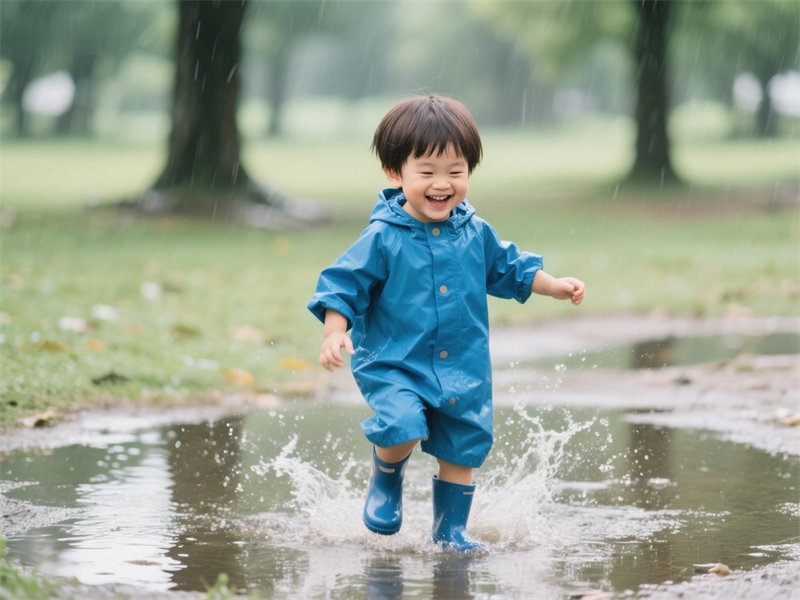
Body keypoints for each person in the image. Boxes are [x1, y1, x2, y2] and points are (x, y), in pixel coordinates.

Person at [308, 94, 585, 552]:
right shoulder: (383, 236)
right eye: (428, 172)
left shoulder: (474, 231)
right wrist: (334, 330)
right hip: (395, 362)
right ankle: (386, 473)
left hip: (462, 364)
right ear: (396, 173)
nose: (443, 184)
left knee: (463, 442)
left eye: (456, 172)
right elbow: (343, 284)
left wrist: (552, 285)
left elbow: (509, 267)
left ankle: (451, 530)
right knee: (402, 424)